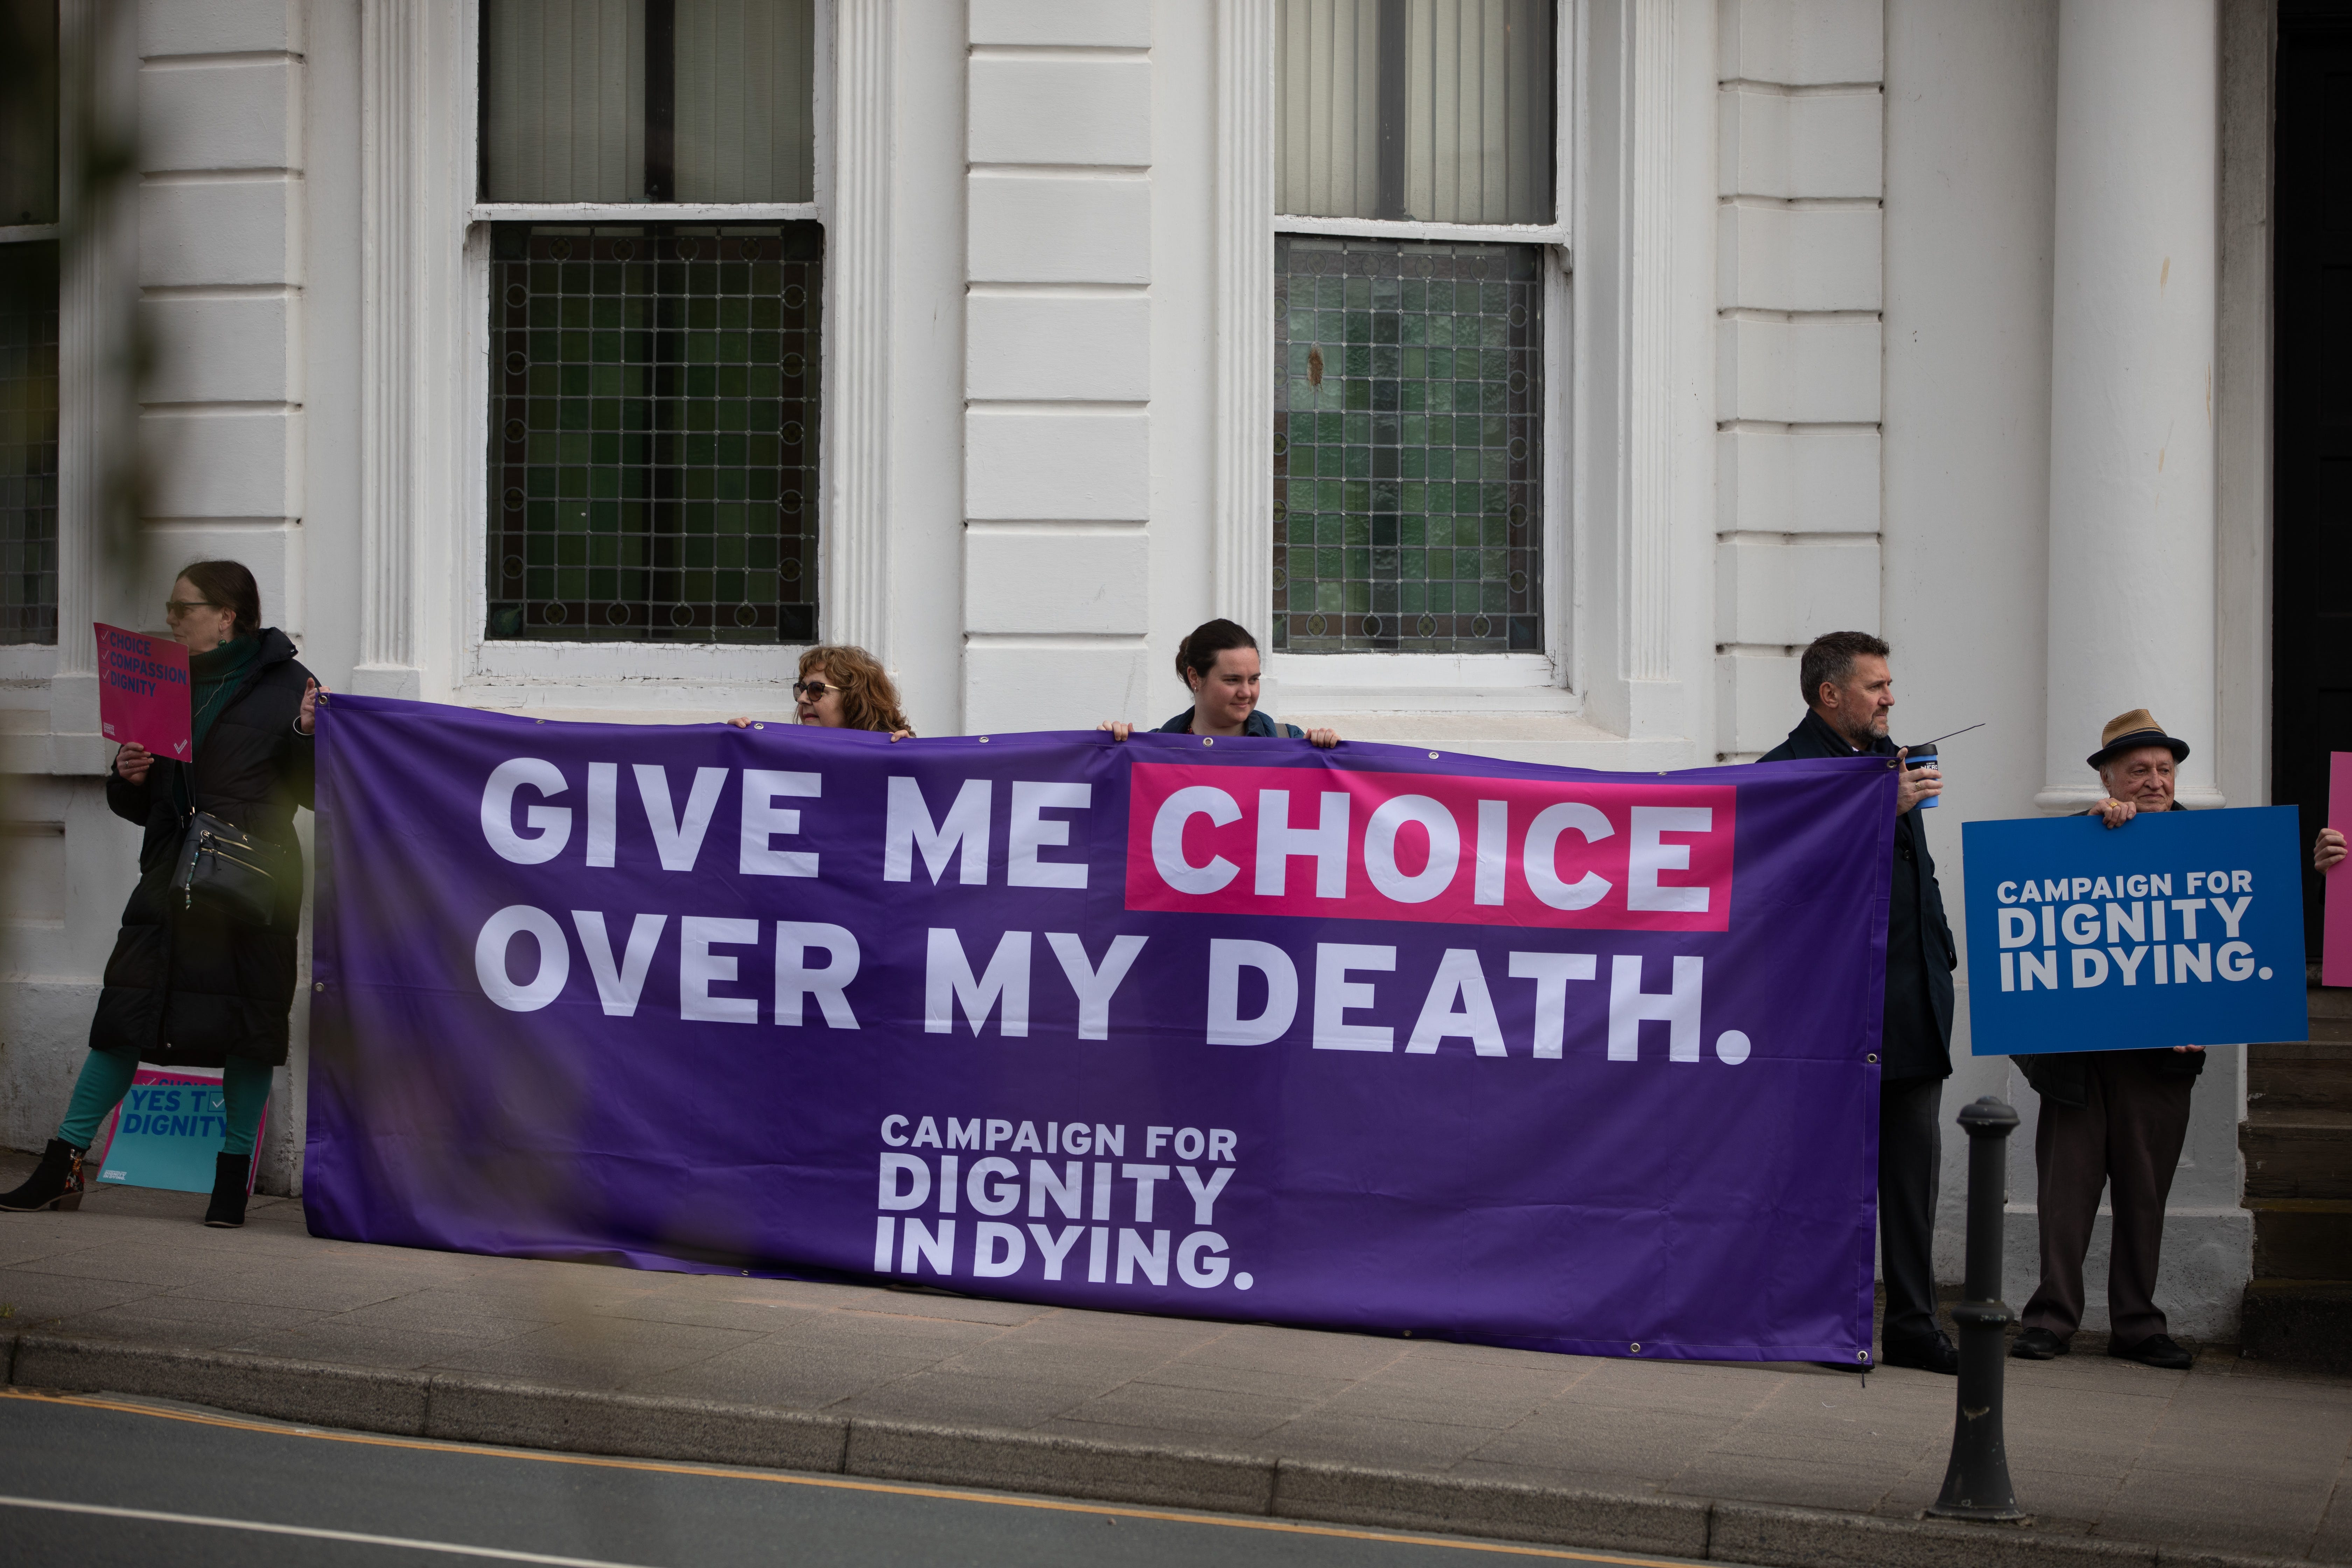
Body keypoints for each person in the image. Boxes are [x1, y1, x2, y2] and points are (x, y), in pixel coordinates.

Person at [1, 561, 322, 1227]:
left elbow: (316, 794)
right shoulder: (160, 681)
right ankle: (63, 1164)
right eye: (172, 608)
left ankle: (231, 1183)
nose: (172, 619)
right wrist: (127, 773)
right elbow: (138, 802)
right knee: (125, 1015)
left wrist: (307, 736)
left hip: (250, 881)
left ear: (227, 615)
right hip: (168, 879)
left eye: (184, 608)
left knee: (248, 1027)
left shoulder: (292, 686)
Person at [1759, 631, 1959, 1374]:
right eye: (1876, 685)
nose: (1891, 697)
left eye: (1889, 683)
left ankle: (1913, 1322)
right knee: (1827, 1179)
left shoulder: (1892, 762)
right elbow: (1783, 883)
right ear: (1829, 694)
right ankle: (1823, 1323)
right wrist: (1879, 811)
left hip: (1911, 1002)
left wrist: (1942, 953)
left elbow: (1916, 877)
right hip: (1830, 1012)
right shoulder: (1782, 772)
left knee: (1912, 1180)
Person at [2009, 709, 2205, 1371]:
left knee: (2145, 1198)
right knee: (2065, 1195)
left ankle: (2138, 1325)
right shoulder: (2081, 839)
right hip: (2080, 1061)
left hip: (2161, 1063)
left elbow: (2241, 933)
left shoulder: (2208, 845)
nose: (2155, 781)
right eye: (2139, 771)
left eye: (2165, 770)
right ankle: (2051, 1319)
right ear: (2109, 780)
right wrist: (2090, 832)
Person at [1100, 619, 1340, 748]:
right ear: (1195, 677)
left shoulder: (1290, 741)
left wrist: (1329, 754)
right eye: (1232, 680)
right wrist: (1104, 751)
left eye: (1254, 680)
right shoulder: (1151, 750)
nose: (1246, 692)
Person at [728, 644, 912, 739]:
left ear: (856, 699)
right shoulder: (786, 751)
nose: (802, 699)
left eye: (816, 690)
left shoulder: (894, 751)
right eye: (801, 689)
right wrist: (733, 745)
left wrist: (906, 757)